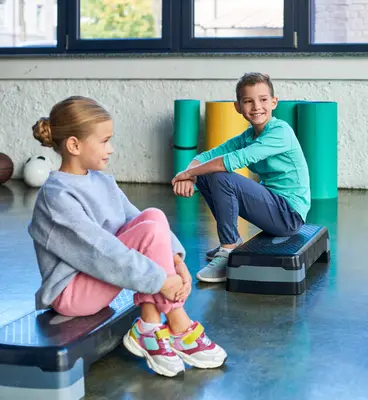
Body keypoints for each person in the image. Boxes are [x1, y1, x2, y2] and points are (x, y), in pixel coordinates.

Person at [28, 96, 227, 378]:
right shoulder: (56, 195)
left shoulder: (101, 180)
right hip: (72, 293)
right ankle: (179, 324)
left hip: (98, 279)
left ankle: (148, 325)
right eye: (104, 141)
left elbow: (140, 222)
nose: (111, 149)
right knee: (145, 234)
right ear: (74, 145)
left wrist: (174, 260)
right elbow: (99, 251)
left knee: (154, 215)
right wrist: (161, 279)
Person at [172, 72, 310, 283]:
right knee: (207, 174)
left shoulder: (280, 132)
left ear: (274, 102)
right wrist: (189, 176)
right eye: (248, 101)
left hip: (289, 214)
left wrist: (187, 173)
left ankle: (228, 249)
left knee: (220, 176)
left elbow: (232, 161)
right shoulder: (248, 136)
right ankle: (232, 240)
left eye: (263, 100)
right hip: (272, 205)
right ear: (238, 107)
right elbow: (207, 156)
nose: (256, 106)